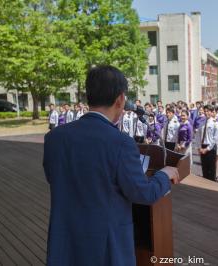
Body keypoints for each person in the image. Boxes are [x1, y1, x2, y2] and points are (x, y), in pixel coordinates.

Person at [43, 65, 179, 266]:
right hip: (105, 251)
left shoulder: (54, 138)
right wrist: (164, 175)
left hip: (66, 244)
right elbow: (143, 193)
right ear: (120, 99)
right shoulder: (121, 143)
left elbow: (54, 177)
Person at [199, 105, 218, 181]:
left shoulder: (215, 123)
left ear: (211, 112)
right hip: (203, 146)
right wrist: (199, 147)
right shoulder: (202, 123)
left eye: (207, 111)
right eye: (205, 111)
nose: (206, 112)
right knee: (204, 169)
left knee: (211, 170)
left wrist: (207, 149)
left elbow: (215, 139)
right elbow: (198, 136)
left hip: (210, 148)